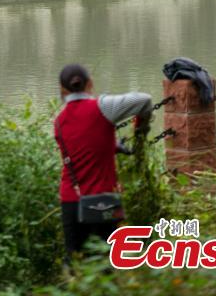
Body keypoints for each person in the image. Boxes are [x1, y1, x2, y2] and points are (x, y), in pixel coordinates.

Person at [54, 63, 152, 259]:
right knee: (104, 260)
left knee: (74, 260)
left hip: (71, 200)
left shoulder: (59, 121)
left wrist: (113, 146)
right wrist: (140, 131)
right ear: (90, 83)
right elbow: (144, 100)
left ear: (62, 90)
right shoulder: (103, 107)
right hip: (104, 202)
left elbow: (83, 145)